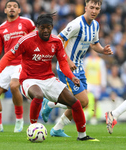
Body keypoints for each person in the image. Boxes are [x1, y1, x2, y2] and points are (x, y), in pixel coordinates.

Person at [0, 12, 98, 141]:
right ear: (37, 27)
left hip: (48, 79)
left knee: (75, 103)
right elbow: (8, 55)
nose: (46, 30)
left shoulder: (56, 41)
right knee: (38, 95)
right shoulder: (26, 40)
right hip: (28, 79)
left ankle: (82, 136)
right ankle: (33, 128)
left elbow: (63, 63)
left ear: (52, 27)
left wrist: (71, 77)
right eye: (43, 28)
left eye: (49, 27)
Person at [41, 0, 113, 137]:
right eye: (91, 7)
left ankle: (55, 123)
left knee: (80, 103)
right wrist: (67, 60)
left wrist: (103, 50)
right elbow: (58, 40)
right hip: (66, 68)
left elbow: (94, 44)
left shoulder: (96, 25)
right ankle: (50, 105)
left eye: (97, 8)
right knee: (82, 101)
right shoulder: (75, 24)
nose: (94, 10)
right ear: (85, 7)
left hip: (79, 68)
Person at [0, 0, 35, 133]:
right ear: (5, 10)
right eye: (9, 6)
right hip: (7, 64)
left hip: (22, 62)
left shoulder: (27, 22)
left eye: (14, 6)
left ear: (19, 10)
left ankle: (19, 120)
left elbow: (36, 38)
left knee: (14, 86)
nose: (12, 8)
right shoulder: (1, 28)